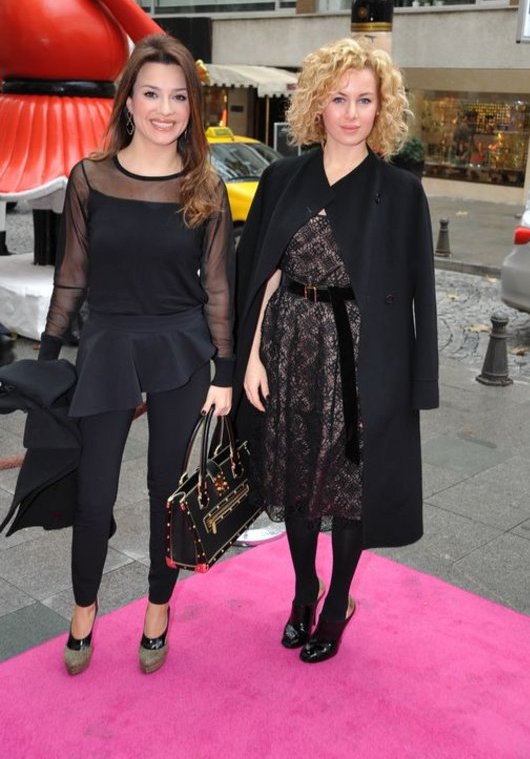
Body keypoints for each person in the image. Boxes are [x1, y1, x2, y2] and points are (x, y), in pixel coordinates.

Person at [234, 37, 438, 663]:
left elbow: (421, 295)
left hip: (361, 360)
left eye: (364, 100)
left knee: (349, 487)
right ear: (317, 103)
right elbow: (261, 273)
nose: (351, 113)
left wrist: (414, 384)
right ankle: (305, 591)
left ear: (383, 108)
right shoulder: (281, 178)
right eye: (339, 98)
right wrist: (249, 357)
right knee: (295, 482)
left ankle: (337, 602)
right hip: (288, 347)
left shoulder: (400, 191)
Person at [38, 33, 234, 675]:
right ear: (128, 101)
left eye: (178, 96)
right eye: (151, 93)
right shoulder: (90, 178)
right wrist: (47, 358)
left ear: (192, 107)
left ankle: (158, 606)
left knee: (164, 492)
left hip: (182, 347)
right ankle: (84, 608)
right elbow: (72, 274)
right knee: (93, 493)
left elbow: (218, 287)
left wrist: (225, 371)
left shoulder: (205, 186)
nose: (164, 109)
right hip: (107, 344)